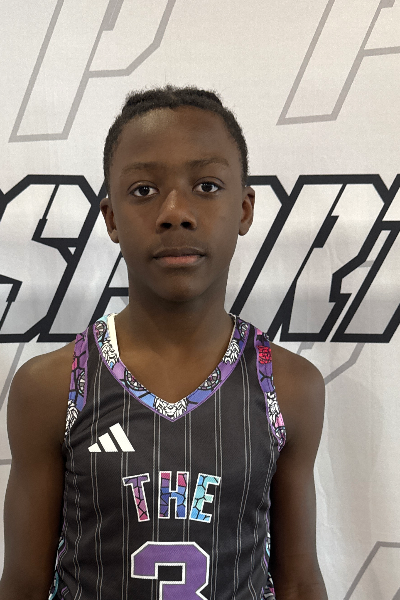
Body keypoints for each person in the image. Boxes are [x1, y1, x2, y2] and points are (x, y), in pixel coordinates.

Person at [0, 86, 328, 600]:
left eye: (206, 185)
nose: (175, 211)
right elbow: (22, 584)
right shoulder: (51, 386)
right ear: (111, 218)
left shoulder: (288, 385)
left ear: (244, 209)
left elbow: (300, 582)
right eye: (144, 190)